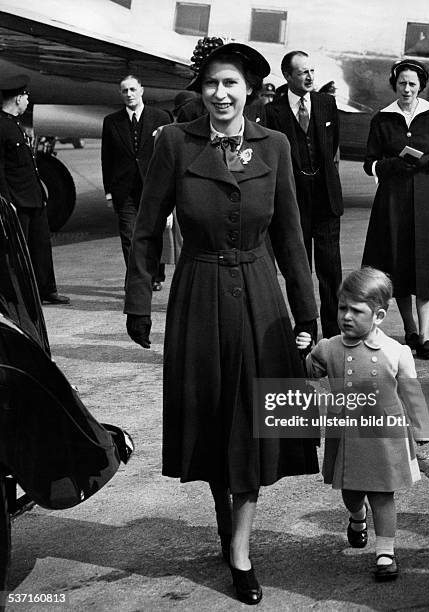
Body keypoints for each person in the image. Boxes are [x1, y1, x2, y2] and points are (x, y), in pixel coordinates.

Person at [124, 38, 319, 605]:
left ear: (251, 91)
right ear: (200, 90)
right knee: (212, 416)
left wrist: (307, 312)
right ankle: (222, 514)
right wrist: (139, 300)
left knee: (255, 419)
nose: (220, 93)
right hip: (198, 293)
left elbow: (289, 235)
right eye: (211, 83)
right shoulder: (174, 145)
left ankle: (240, 549)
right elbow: (145, 225)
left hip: (259, 297)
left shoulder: (276, 145)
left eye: (231, 83)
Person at [296, 267, 429, 581]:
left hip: (386, 437)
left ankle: (385, 552)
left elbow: (411, 392)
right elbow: (310, 373)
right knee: (351, 491)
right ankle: (357, 517)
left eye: (355, 311)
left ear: (379, 315)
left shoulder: (396, 352)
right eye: (342, 307)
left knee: (384, 495)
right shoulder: (329, 347)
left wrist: (422, 428)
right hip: (346, 435)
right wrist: (304, 349)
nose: (345, 316)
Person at [361, 59, 429, 359]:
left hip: (428, 201)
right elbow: (370, 163)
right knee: (398, 262)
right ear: (395, 84)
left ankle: (426, 336)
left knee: (425, 264)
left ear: (421, 86)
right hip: (393, 201)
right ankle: (410, 329)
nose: (407, 88)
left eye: (412, 83)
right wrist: (393, 164)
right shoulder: (383, 119)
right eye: (402, 83)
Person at [266, 50, 344, 338]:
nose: (310, 77)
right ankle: (306, 330)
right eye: (303, 72)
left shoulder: (327, 104)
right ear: (288, 76)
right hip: (293, 202)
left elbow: (331, 143)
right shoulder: (273, 111)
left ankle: (334, 333)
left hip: (326, 199)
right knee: (299, 271)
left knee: (330, 271)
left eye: (312, 71)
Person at [0, 75, 69, 305]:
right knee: (19, 251)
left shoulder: (15, 125)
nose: (28, 101)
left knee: (41, 247)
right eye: (26, 97)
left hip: (34, 198)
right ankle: (21, 295)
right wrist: (6, 201)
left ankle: (46, 290)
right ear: (18, 98)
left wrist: (40, 193)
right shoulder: (2, 126)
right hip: (17, 200)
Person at [101, 75, 172, 291]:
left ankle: (155, 274)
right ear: (120, 94)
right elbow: (107, 159)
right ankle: (136, 279)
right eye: (125, 91)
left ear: (142, 90)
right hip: (124, 189)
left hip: (153, 187)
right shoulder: (112, 121)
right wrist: (108, 193)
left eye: (133, 89)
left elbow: (169, 156)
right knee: (129, 237)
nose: (129, 94)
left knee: (153, 233)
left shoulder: (160, 118)